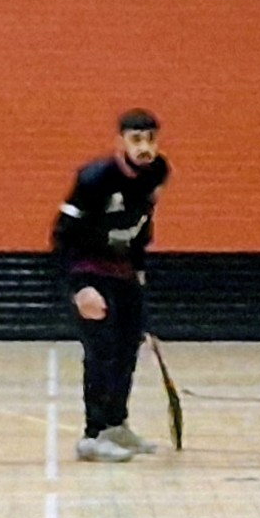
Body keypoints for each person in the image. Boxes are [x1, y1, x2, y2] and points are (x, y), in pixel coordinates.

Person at [54, 109, 168, 464]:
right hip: (90, 271)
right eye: (136, 139)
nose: (144, 147)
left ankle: (116, 426)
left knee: (126, 352)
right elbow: (61, 234)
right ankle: (92, 436)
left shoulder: (158, 172)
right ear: (120, 142)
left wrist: (139, 270)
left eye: (150, 138)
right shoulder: (95, 178)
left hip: (124, 274)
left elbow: (143, 225)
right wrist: (80, 287)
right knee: (100, 353)